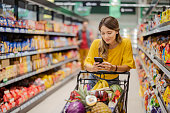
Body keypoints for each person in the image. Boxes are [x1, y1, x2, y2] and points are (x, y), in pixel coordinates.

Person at [84, 16, 136, 87]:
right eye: (103, 33)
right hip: (94, 80)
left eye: (109, 33)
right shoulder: (96, 43)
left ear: (117, 31)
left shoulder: (125, 43)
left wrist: (113, 68)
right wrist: (92, 68)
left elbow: (127, 66)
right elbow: (87, 63)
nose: (106, 37)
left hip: (112, 82)